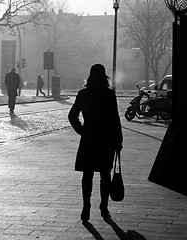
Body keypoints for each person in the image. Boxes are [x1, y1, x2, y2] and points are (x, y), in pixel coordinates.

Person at [68, 64, 123, 222]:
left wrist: (81, 130)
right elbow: (115, 119)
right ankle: (104, 206)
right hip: (106, 139)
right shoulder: (109, 95)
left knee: (87, 174)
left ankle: (86, 207)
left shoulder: (83, 94)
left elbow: (72, 115)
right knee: (105, 174)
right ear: (104, 77)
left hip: (89, 138)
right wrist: (118, 140)